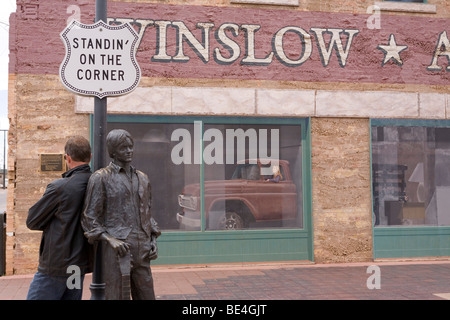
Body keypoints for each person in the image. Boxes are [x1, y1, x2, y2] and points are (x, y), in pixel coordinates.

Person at [82, 129, 161, 300]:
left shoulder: (143, 178)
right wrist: (110, 239)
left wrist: (153, 239)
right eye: (124, 147)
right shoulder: (101, 178)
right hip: (118, 250)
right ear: (113, 151)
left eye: (131, 147)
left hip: (142, 249)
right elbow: (89, 217)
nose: (129, 151)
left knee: (147, 295)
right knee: (117, 296)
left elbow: (147, 213)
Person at [26, 136, 93, 300]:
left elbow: (32, 220)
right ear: (90, 157)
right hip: (77, 267)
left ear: (67, 158)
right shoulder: (95, 183)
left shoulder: (60, 187)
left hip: (55, 267)